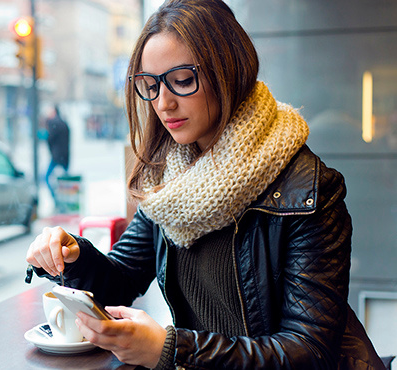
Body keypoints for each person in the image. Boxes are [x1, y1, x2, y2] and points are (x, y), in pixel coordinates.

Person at [26, 0, 385, 368]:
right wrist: (74, 254)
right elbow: (121, 280)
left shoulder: (308, 191)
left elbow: (307, 352)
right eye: (150, 85)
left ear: (229, 71)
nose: (163, 103)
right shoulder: (171, 183)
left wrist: (170, 349)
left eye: (182, 81)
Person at [44, 105, 70, 200]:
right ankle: (65, 199)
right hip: (65, 157)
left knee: (47, 177)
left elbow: (50, 139)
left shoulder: (53, 123)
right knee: (64, 180)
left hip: (56, 156)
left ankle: (56, 199)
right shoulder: (64, 123)